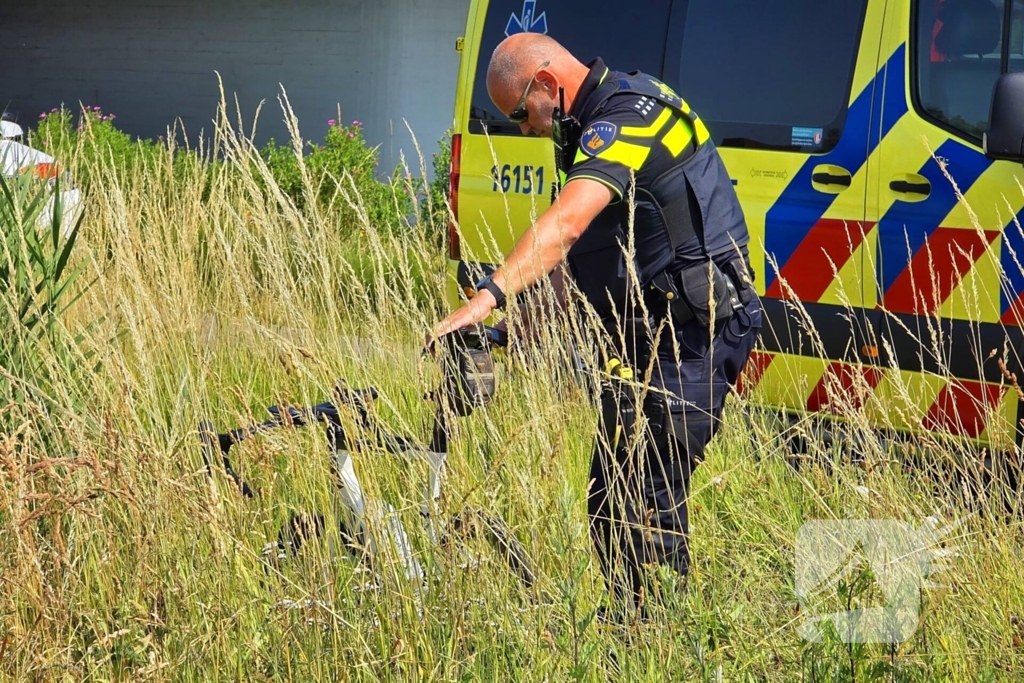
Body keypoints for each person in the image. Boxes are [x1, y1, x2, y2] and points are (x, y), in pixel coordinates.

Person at [429, 33, 762, 616]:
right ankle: (624, 636)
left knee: (650, 503)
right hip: (642, 340)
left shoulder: (627, 115)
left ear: (547, 85)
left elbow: (567, 224)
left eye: (518, 113)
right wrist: (516, 327)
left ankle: (660, 639)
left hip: (695, 336)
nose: (523, 129)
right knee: (608, 501)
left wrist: (488, 295)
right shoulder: (585, 131)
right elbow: (580, 259)